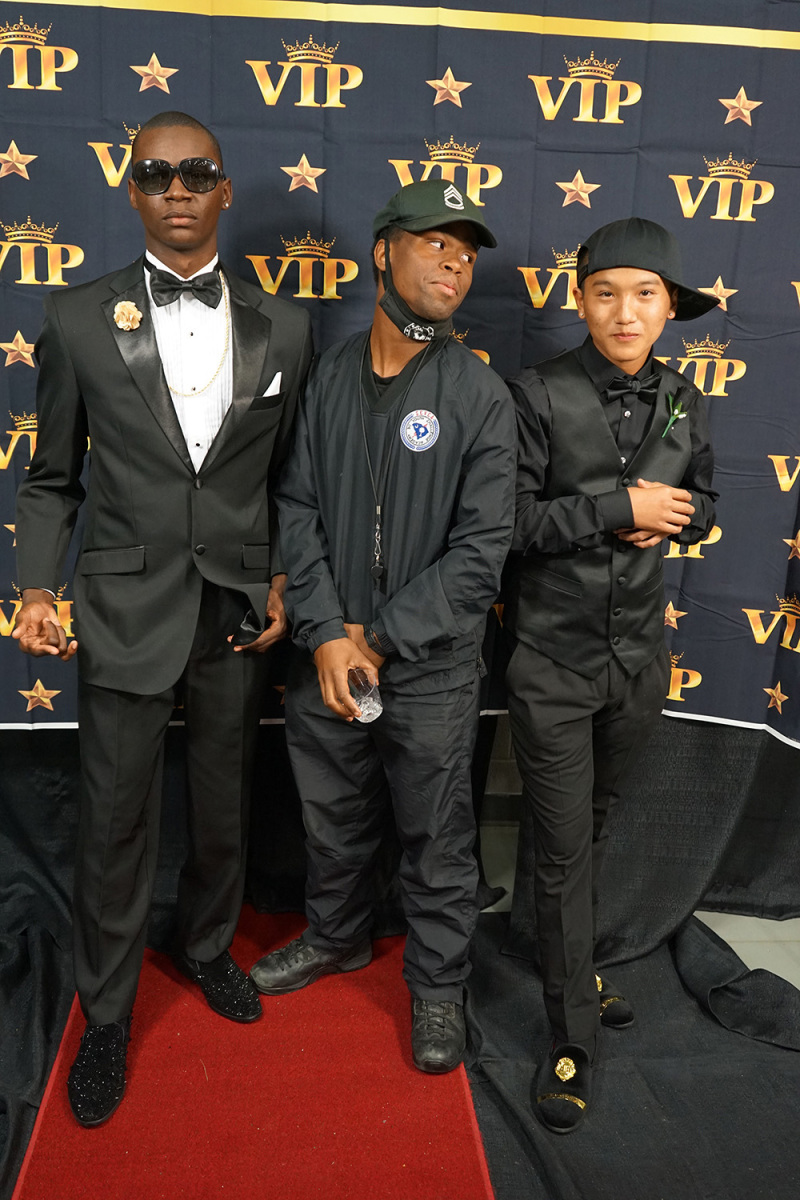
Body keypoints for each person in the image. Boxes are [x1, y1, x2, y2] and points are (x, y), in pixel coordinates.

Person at [12, 111, 312, 1127]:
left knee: (224, 799)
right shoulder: (76, 319)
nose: (176, 188)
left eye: (195, 173)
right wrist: (39, 588)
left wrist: (280, 578)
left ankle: (206, 947)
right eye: (155, 173)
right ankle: (106, 1013)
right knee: (114, 818)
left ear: (224, 190)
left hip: (236, 606)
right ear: (132, 189)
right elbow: (51, 477)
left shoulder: (287, 327)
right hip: (123, 604)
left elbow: (290, 478)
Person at [249, 179, 516, 1074]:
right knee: (331, 818)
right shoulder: (326, 377)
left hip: (428, 666)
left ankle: (437, 986)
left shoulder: (479, 395)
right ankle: (337, 936)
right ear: (382, 251)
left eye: (465, 252)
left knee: (436, 835)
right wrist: (328, 632)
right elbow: (295, 507)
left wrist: (377, 639)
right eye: (435, 241)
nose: (454, 262)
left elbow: (481, 555)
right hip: (326, 657)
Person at [503, 218, 718, 1132]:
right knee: (560, 847)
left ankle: (574, 965)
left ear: (668, 309)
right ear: (581, 302)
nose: (625, 312)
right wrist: (612, 508)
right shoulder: (535, 393)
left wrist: (678, 515)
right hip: (551, 664)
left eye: (644, 295)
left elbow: (706, 503)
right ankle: (570, 1039)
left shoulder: (686, 396)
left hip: (639, 664)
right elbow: (510, 525)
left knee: (591, 830)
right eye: (606, 293)